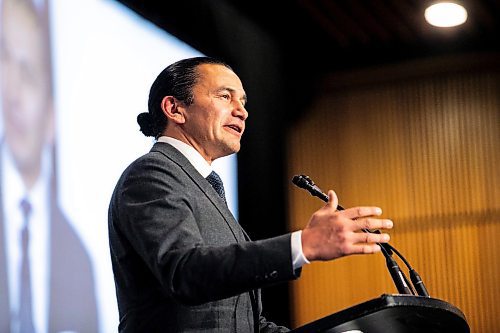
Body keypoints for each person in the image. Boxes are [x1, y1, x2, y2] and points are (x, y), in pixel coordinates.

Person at [108, 56, 393, 332]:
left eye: (243, 101)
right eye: (225, 96)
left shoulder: (203, 185)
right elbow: (185, 272)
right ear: (175, 108)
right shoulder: (151, 174)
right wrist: (303, 244)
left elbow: (247, 323)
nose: (242, 111)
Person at [0, 0, 98, 331]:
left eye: (28, 74)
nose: (12, 92)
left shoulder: (79, 261)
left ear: (52, 117)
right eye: (5, 62)